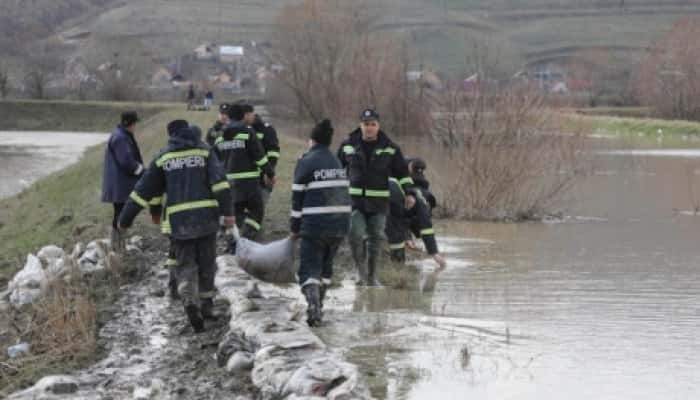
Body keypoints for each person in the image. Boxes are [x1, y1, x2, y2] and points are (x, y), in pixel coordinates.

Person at [118, 122, 234, 333]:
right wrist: (228, 214)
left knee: (185, 263)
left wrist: (125, 219)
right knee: (207, 264)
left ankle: (188, 297)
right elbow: (221, 184)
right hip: (207, 220)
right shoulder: (204, 152)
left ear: (171, 135)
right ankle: (207, 308)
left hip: (179, 224)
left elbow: (142, 191)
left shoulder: (163, 157)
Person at [337, 109, 413, 286]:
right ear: (360, 125)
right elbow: (335, 168)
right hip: (355, 202)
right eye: (366, 124)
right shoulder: (347, 145)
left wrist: (409, 193)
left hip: (379, 204)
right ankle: (360, 273)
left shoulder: (391, 148)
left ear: (378, 126)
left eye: (373, 124)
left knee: (376, 238)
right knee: (355, 234)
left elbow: (402, 173)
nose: (369, 128)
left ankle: (371, 278)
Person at [290, 119, 351, 326]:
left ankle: (313, 305)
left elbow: (297, 197)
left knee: (308, 268)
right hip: (340, 225)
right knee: (326, 268)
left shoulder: (306, 161)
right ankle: (319, 307)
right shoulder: (336, 161)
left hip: (315, 225)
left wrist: (294, 227)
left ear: (312, 141)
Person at [214, 104, 275, 248]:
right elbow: (259, 156)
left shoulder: (219, 137)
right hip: (249, 184)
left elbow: (215, 162)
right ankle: (245, 239)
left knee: (235, 214)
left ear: (228, 117)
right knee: (257, 212)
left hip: (229, 185)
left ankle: (232, 243)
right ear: (243, 117)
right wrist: (270, 173)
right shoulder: (247, 132)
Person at [101, 111, 145, 253]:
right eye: (134, 123)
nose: (135, 126)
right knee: (121, 214)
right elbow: (126, 161)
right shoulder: (120, 138)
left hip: (119, 183)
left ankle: (118, 246)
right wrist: (142, 171)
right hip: (121, 184)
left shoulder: (120, 135)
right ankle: (118, 247)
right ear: (129, 123)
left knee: (119, 213)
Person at [386, 178, 446, 268]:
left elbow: (426, 227)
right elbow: (396, 223)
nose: (409, 205)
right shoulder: (395, 196)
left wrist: (433, 252)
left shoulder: (419, 203)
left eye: (410, 204)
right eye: (407, 204)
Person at [243, 104, 281, 205]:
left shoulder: (267, 129)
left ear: (252, 113)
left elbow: (273, 152)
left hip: (262, 177)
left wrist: (269, 172)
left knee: (259, 209)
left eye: (247, 114)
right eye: (243, 115)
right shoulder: (240, 129)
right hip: (244, 178)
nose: (245, 118)